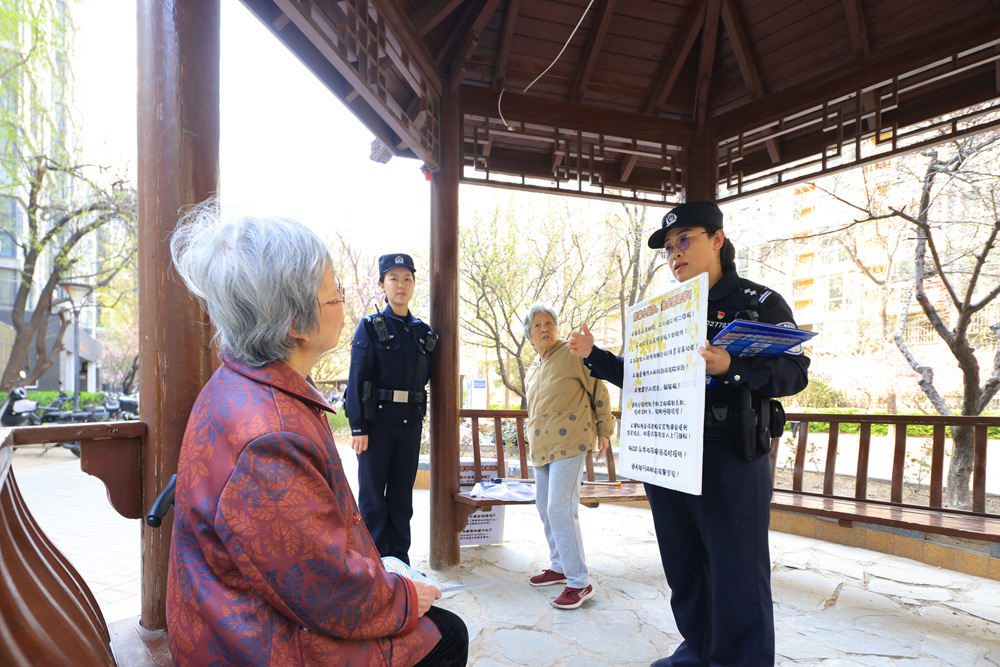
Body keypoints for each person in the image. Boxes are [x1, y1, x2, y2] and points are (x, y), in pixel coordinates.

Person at [166, 205, 467, 667]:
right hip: (249, 640)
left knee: (399, 504)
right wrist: (405, 598)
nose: (345, 299)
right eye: (335, 292)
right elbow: (324, 587)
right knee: (446, 635)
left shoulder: (248, 384)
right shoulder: (268, 438)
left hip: (242, 611)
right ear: (295, 323)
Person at [568, 200, 809, 667]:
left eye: (685, 240)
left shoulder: (757, 302)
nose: (675, 253)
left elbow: (795, 371)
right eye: (668, 248)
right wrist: (595, 355)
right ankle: (699, 651)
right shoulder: (666, 313)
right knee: (685, 568)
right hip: (670, 451)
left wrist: (733, 367)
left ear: (717, 239)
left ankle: (739, 661)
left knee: (736, 570)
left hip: (730, 453)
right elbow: (641, 375)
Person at [522, 303, 614, 610]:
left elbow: (598, 390)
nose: (545, 328)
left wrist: (604, 428)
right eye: (538, 325)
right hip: (541, 447)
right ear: (529, 336)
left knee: (560, 507)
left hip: (571, 441)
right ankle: (560, 566)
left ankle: (579, 582)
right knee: (545, 507)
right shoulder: (534, 367)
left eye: (550, 323)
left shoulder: (572, 354)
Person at [346, 253, 437, 565]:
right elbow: (357, 378)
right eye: (394, 278)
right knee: (373, 500)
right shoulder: (371, 327)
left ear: (413, 284)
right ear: (382, 284)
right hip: (376, 427)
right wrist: (358, 426)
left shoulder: (423, 333)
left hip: (409, 427)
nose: (401, 285)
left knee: (401, 499)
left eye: (407, 278)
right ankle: (373, 564)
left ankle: (399, 563)